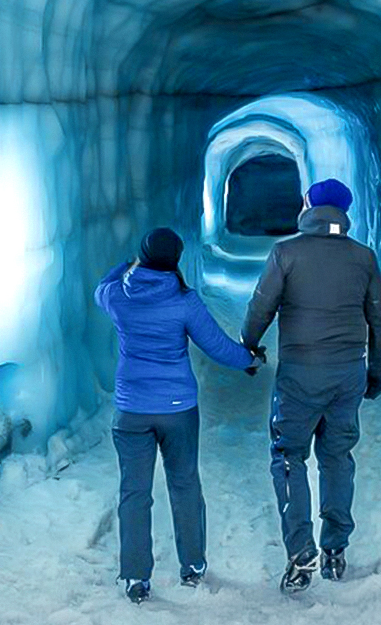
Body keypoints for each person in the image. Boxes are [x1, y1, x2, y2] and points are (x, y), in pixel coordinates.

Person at [95, 227, 262, 603]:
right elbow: (217, 345)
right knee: (184, 484)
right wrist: (248, 359)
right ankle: (193, 565)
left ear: (143, 256)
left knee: (133, 493)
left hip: (132, 409)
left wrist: (128, 264)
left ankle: (136, 577)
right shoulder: (184, 301)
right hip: (177, 408)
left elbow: (100, 287)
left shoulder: (118, 296)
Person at [241, 178, 381, 593]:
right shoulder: (363, 258)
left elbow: (261, 307)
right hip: (347, 373)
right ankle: (336, 548)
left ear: (309, 204)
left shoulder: (286, 253)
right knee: (337, 457)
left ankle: (300, 548)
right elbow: (380, 318)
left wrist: (247, 349)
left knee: (289, 455)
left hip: (300, 374)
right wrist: (375, 372)